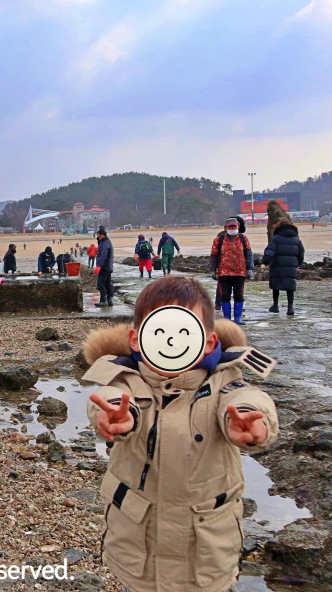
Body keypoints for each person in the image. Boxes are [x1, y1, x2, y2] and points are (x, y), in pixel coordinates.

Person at [82, 275, 278, 592]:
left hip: (207, 554)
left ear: (209, 341)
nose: (170, 342)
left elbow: (244, 396)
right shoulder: (125, 379)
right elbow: (113, 398)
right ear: (137, 339)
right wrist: (114, 418)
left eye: (183, 332)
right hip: (139, 552)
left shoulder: (224, 379)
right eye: (159, 332)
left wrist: (249, 420)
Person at [210, 218, 254, 325]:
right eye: (230, 227)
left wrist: (250, 269)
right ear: (226, 228)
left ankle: (238, 318)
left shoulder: (244, 239)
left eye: (235, 227)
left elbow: (249, 254)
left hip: (240, 272)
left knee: (239, 295)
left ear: (238, 226)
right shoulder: (218, 240)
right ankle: (227, 318)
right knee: (225, 295)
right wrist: (213, 270)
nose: (233, 229)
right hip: (224, 273)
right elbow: (214, 255)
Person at [262, 220, 305, 316]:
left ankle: (275, 306)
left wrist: (265, 261)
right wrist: (298, 263)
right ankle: (290, 308)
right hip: (291, 266)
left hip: (277, 265)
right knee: (290, 287)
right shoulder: (297, 240)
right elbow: (301, 253)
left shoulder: (276, 238)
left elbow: (270, 251)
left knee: (276, 286)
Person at [93, 226, 114, 307]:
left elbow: (103, 256)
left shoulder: (105, 244)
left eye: (98, 235)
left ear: (102, 235)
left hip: (105, 267)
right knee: (107, 284)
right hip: (108, 266)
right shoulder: (104, 242)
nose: (97, 237)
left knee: (100, 284)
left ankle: (103, 300)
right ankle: (110, 299)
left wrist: (99, 266)